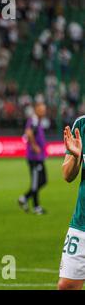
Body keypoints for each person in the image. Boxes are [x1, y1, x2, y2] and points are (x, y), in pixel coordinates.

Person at [58, 121, 85, 290]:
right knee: (66, 286)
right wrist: (76, 156)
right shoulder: (81, 125)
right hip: (81, 223)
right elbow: (67, 175)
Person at [18, 102, 48, 215]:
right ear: (36, 109)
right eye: (42, 109)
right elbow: (28, 133)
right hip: (34, 158)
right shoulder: (33, 120)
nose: (44, 112)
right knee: (37, 182)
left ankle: (25, 198)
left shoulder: (37, 121)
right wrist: (34, 146)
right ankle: (36, 207)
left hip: (39, 157)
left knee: (43, 180)